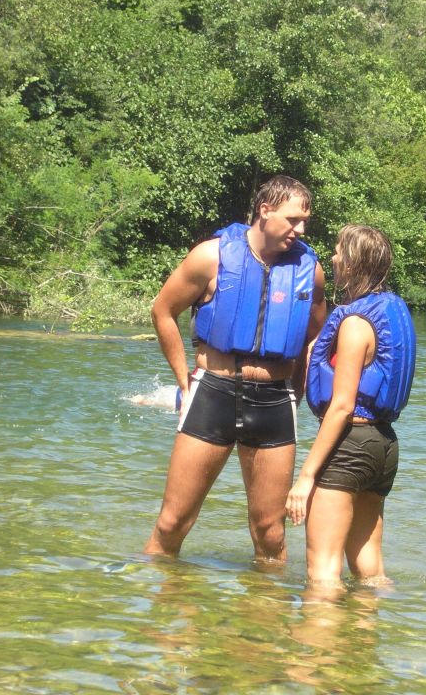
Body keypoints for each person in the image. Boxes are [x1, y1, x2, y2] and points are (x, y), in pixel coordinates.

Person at [144, 175, 326, 561]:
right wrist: (184, 382)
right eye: (293, 220)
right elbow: (163, 311)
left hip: (274, 402)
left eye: (305, 222)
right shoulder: (210, 256)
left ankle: (265, 601)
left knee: (270, 535)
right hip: (213, 393)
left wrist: (296, 394)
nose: (301, 230)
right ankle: (162, 598)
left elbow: (315, 337)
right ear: (265, 210)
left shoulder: (310, 271)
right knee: (172, 523)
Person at [285, 224, 416, 585]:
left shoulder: (355, 324)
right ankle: (371, 623)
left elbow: (342, 406)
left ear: (353, 263)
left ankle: (320, 624)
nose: (333, 257)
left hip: (350, 445)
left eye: (339, 250)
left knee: (322, 572)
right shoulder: (390, 311)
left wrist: (305, 477)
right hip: (384, 447)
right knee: (370, 570)